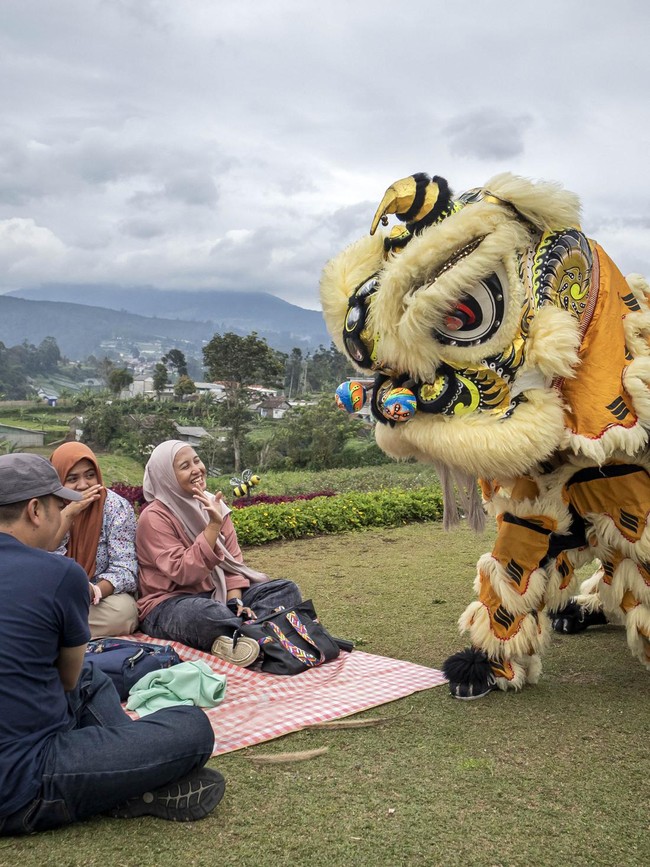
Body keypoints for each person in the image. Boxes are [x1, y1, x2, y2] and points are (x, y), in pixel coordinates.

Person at [0, 453, 224, 835]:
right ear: (36, 510)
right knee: (192, 726)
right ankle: (127, 783)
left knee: (91, 674)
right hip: (22, 783)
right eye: (60, 506)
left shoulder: (101, 523)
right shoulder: (59, 574)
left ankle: (118, 770)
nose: (66, 513)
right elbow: (66, 681)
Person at [136, 439, 302, 666]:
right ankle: (262, 634)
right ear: (166, 476)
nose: (196, 470)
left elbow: (233, 566)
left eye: (196, 461)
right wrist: (212, 527)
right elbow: (185, 573)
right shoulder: (154, 517)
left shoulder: (214, 504)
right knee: (207, 614)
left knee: (286, 589)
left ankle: (241, 638)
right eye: (185, 467)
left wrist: (235, 603)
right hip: (170, 604)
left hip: (220, 596)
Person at [49, 442, 139, 638]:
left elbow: (125, 568)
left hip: (99, 598)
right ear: (58, 481)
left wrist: (93, 591)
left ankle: (51, 630)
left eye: (90, 475)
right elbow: (42, 556)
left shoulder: (115, 507)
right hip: (54, 592)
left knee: (125, 613)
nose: (83, 485)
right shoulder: (47, 507)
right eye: (72, 479)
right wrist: (68, 515)